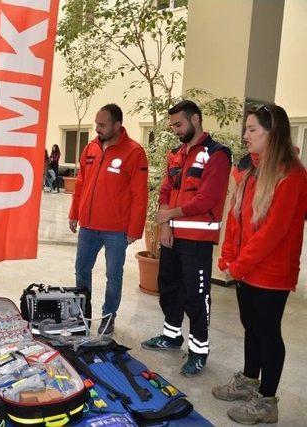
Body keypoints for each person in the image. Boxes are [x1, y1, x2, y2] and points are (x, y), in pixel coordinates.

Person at [212, 104, 307, 425]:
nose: (245, 135)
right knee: (251, 328)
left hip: (271, 273)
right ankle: (250, 380)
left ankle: (267, 401)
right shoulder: (251, 171)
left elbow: (273, 233)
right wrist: (228, 256)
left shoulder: (292, 176)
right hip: (246, 268)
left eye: (253, 129)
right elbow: (236, 218)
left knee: (267, 332)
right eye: (247, 128)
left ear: (272, 132)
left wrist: (238, 265)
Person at [141, 100, 232, 377]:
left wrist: (172, 214)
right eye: (173, 126)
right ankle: (171, 336)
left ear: (195, 120)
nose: (176, 130)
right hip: (173, 237)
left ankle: (198, 351)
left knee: (197, 296)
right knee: (168, 287)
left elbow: (208, 198)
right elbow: (166, 191)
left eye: (179, 124)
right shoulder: (176, 154)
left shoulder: (217, 155)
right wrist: (165, 225)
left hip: (197, 241)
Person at [68, 104, 148, 335]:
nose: (98, 129)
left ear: (117, 125)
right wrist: (75, 213)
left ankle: (108, 316)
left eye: (102, 125)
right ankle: (81, 314)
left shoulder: (134, 152)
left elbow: (139, 194)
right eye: (96, 124)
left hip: (116, 230)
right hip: (88, 227)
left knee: (114, 275)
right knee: (81, 270)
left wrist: (135, 229)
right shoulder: (91, 147)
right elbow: (81, 183)